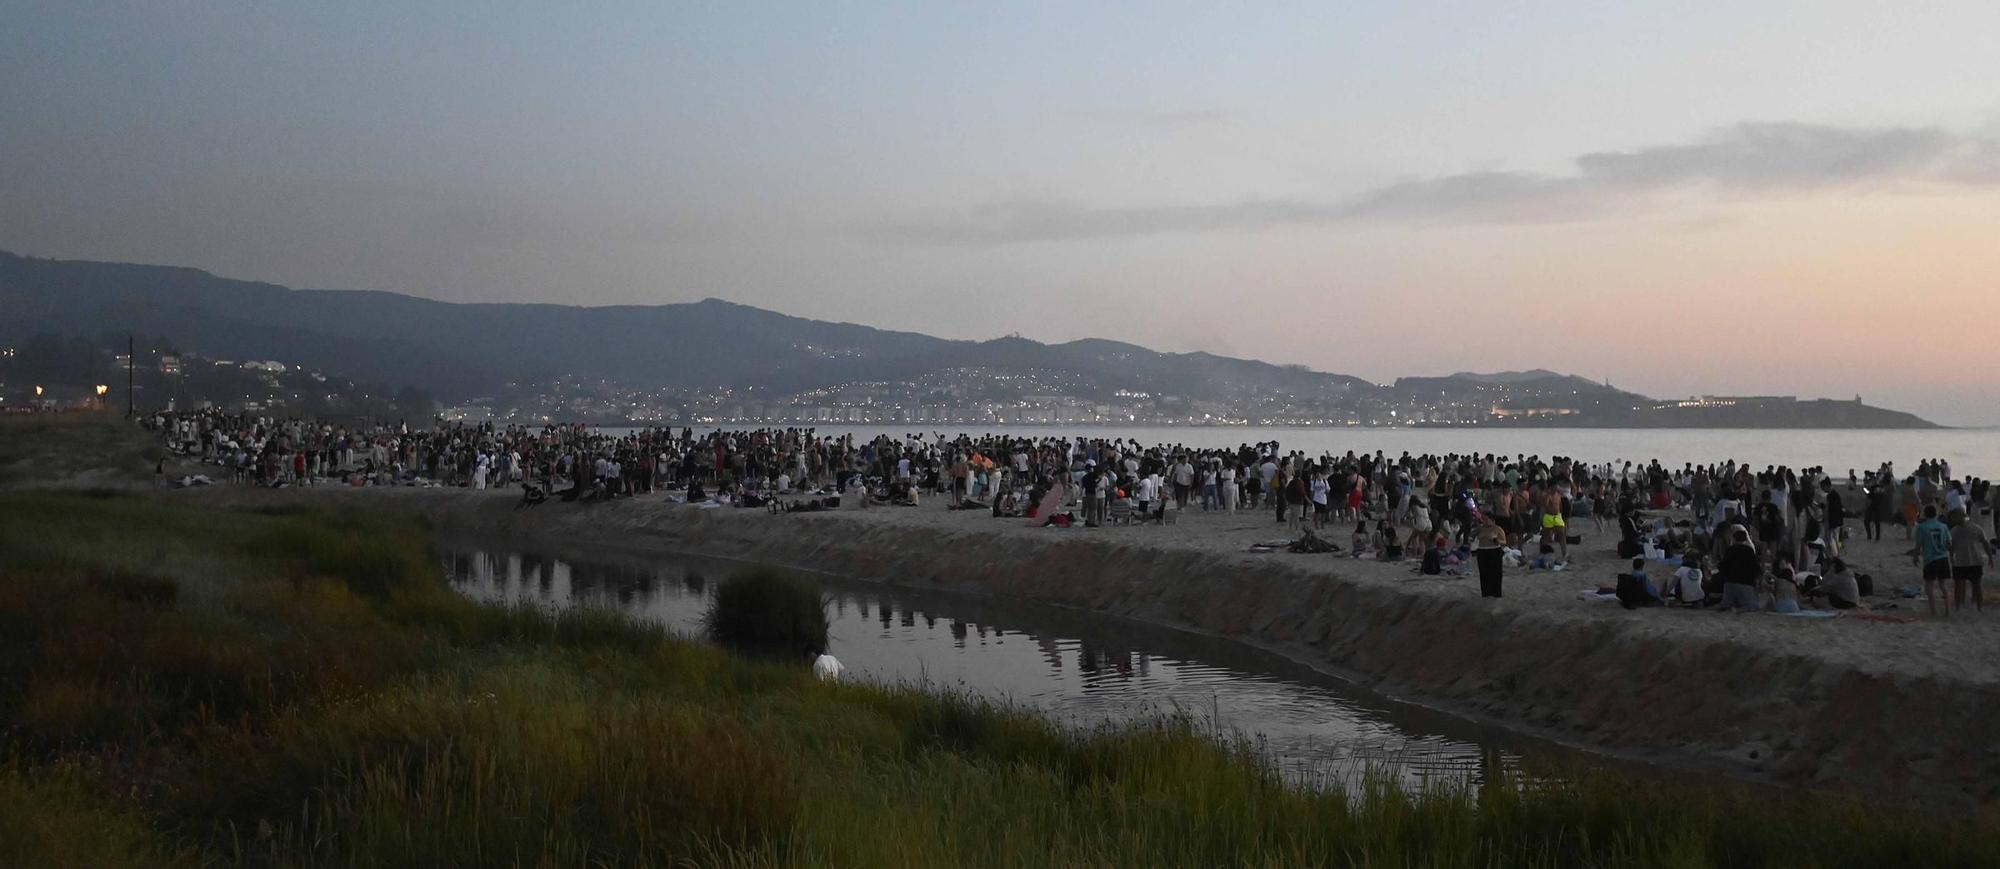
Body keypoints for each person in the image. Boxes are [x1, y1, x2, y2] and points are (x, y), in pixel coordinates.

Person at [1949, 510, 1993, 612]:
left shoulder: (1976, 528)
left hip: (1975, 561)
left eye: (1954, 517)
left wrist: (1990, 557)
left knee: (1976, 585)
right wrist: (1951, 556)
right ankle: (1958, 607)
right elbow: (1951, 546)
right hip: (1960, 562)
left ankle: (1979, 607)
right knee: (1958, 585)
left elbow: (1985, 543)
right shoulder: (1953, 531)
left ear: (1962, 516)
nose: (1953, 520)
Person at [1914, 505, 1953, 618]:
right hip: (1943, 558)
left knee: (1929, 586)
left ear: (1925, 514)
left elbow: (1919, 544)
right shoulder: (1943, 526)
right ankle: (1947, 611)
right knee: (1943, 586)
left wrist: (1915, 556)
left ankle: (1933, 611)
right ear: (1936, 514)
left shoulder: (1922, 527)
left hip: (1930, 559)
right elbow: (1949, 543)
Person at [1719, 528, 1763, 613]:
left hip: (1729, 584)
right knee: (1753, 606)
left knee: (1726, 604)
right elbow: (1756, 568)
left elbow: (1722, 567)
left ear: (1734, 539)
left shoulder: (1730, 550)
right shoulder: (1749, 551)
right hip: (1745, 584)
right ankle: (1737, 610)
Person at [1473, 513, 1506, 598]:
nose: (1484, 521)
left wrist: (1497, 540)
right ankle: (1486, 592)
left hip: (1494, 551)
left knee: (1495, 573)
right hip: (1482, 551)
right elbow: (1471, 535)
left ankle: (1496, 592)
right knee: (1484, 573)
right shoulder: (1480, 528)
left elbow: (1504, 542)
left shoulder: (1498, 529)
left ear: (1492, 520)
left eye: (1486, 519)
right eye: (1483, 519)